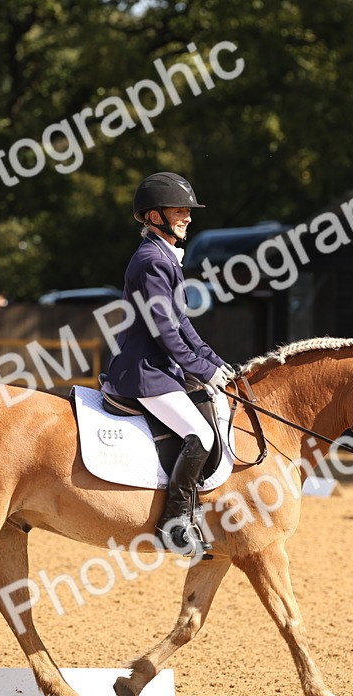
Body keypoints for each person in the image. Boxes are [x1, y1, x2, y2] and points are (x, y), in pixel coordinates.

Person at [101, 172, 236, 558]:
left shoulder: (162, 257)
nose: (188, 218)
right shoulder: (150, 261)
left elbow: (183, 324)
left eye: (188, 211)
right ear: (153, 215)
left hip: (159, 369)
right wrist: (203, 371)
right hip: (144, 373)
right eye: (179, 211)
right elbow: (166, 332)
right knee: (202, 434)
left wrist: (215, 363)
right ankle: (174, 525)